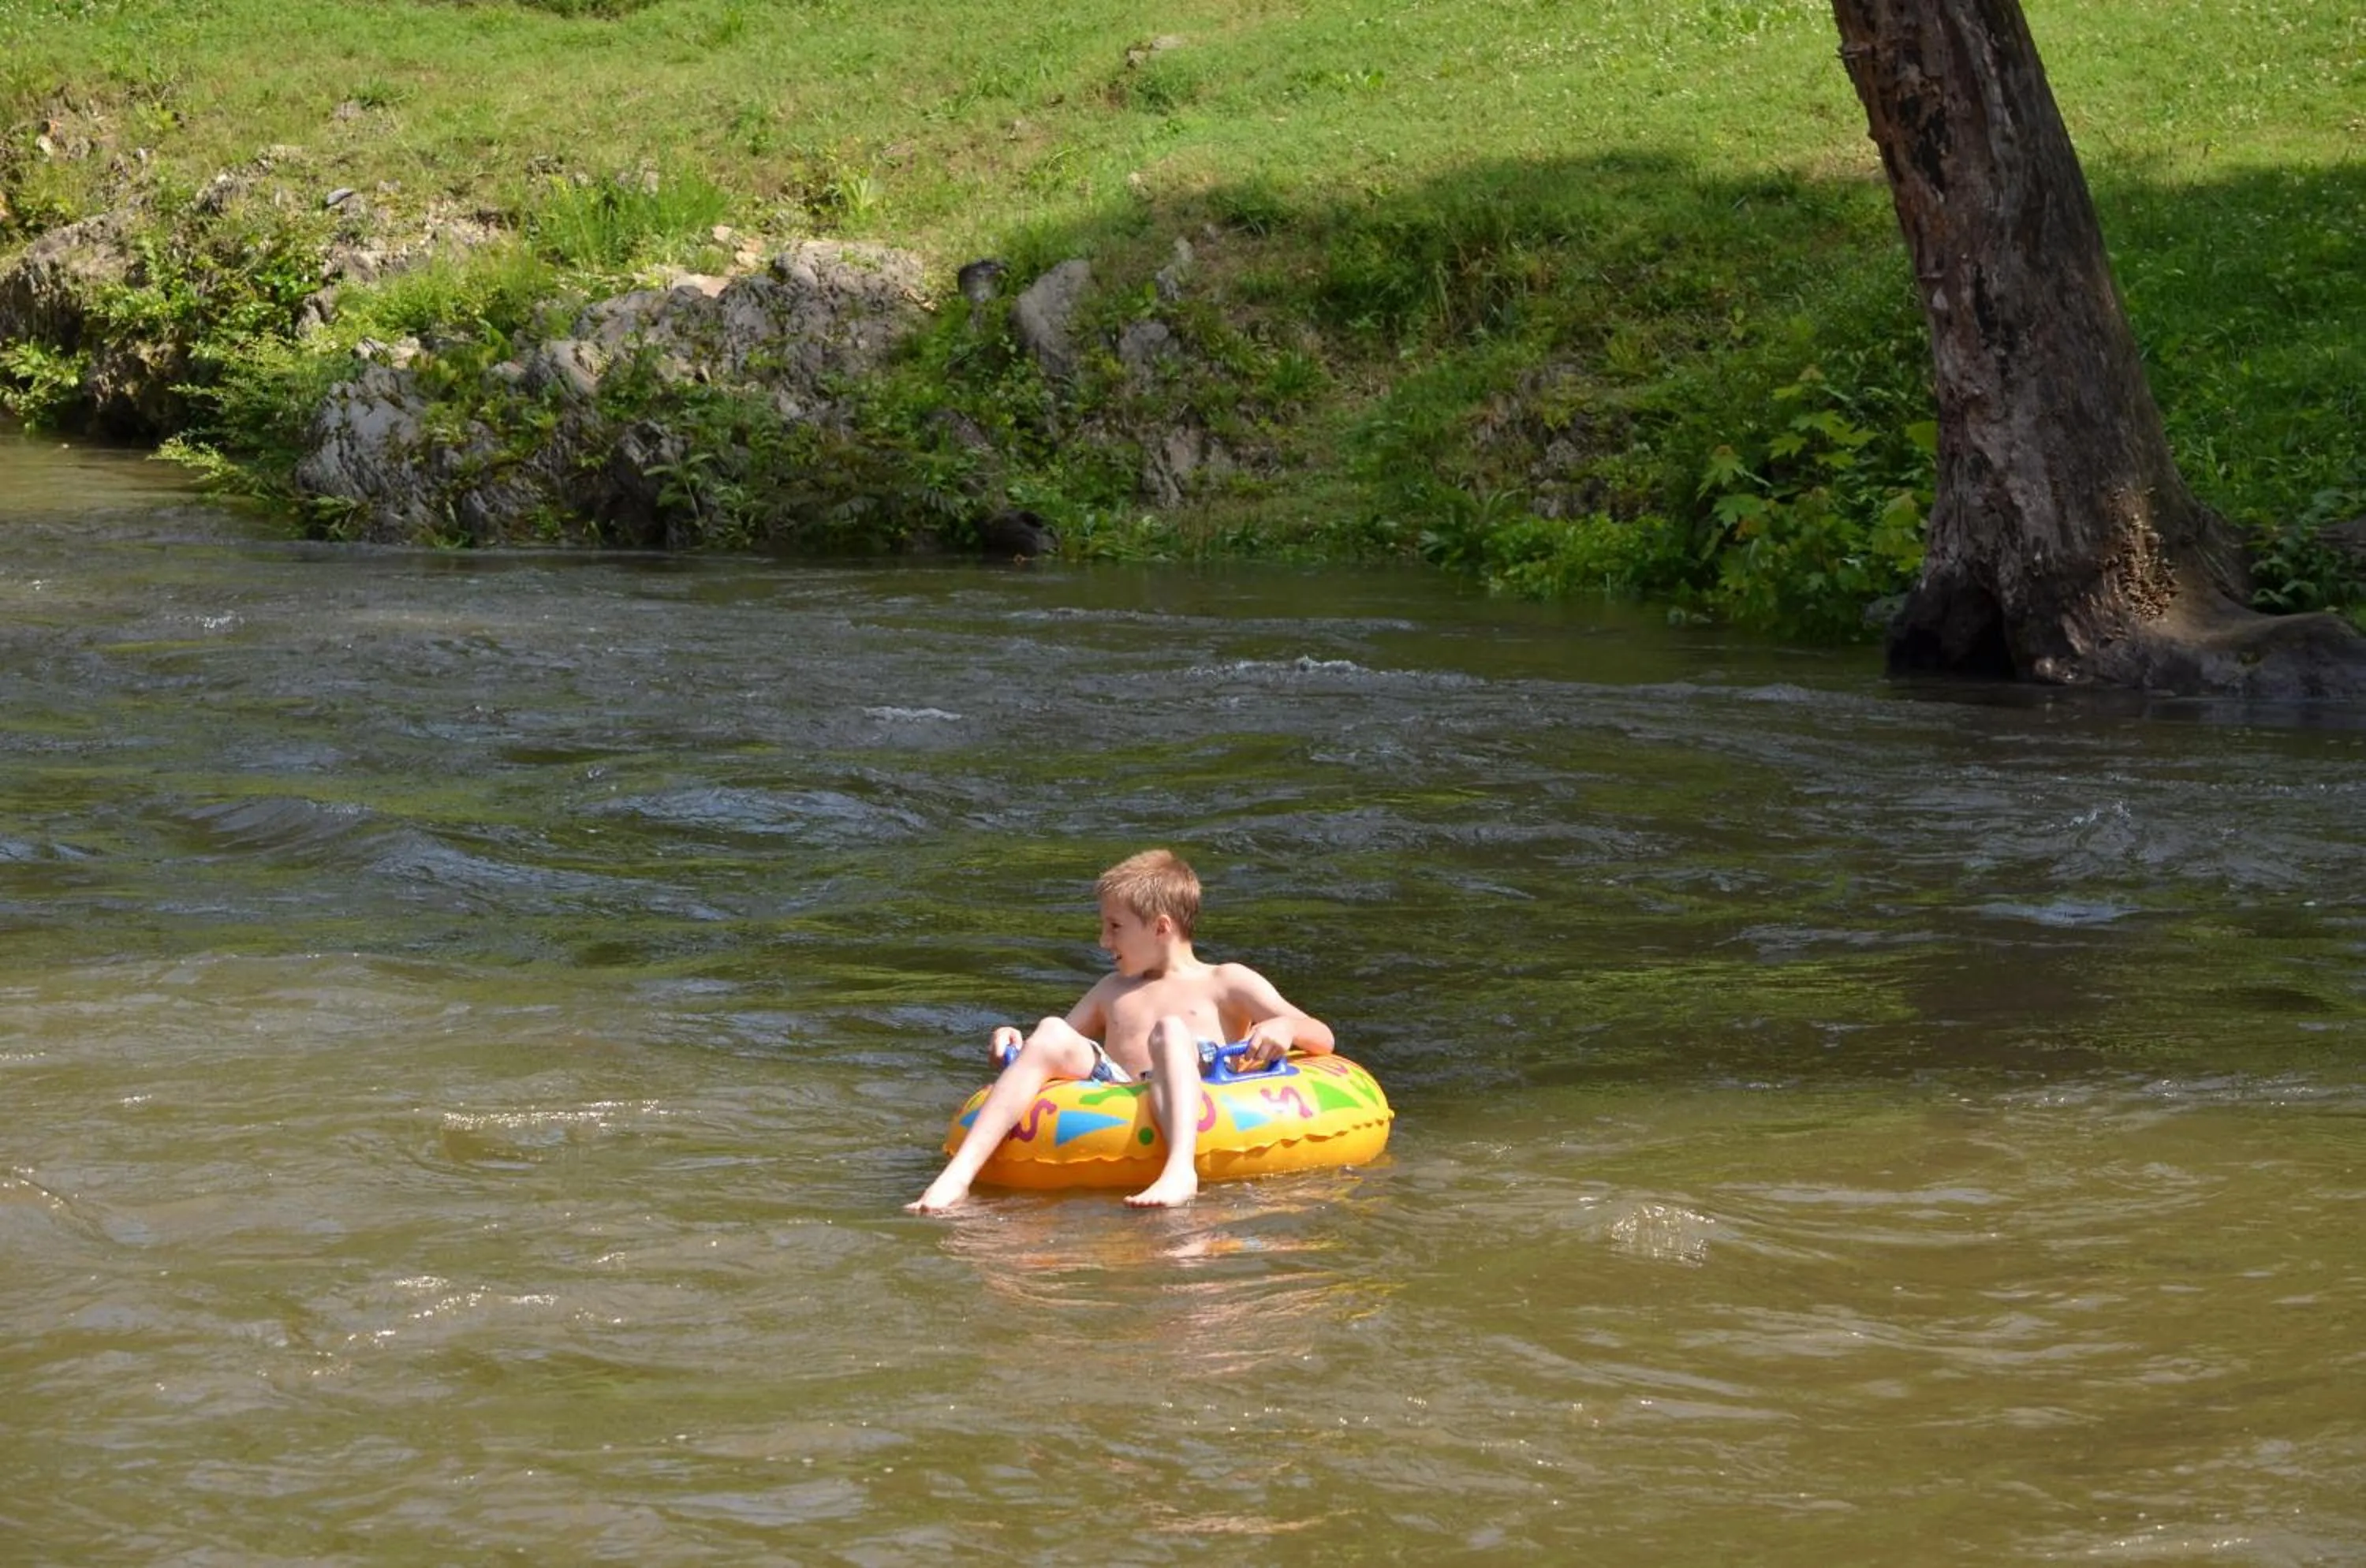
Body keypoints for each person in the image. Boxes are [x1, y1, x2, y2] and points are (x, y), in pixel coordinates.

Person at [906, 849, 1334, 1214]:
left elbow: (1322, 1035)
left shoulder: (1227, 981)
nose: (1102, 941)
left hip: (1200, 1086)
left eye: (1115, 927)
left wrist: (1284, 1026)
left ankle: (1179, 1170)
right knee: (1051, 1028)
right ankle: (956, 1178)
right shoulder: (1112, 989)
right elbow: (1058, 1045)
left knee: (1171, 1030)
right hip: (1117, 1090)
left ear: (1161, 927)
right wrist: (1014, 1039)